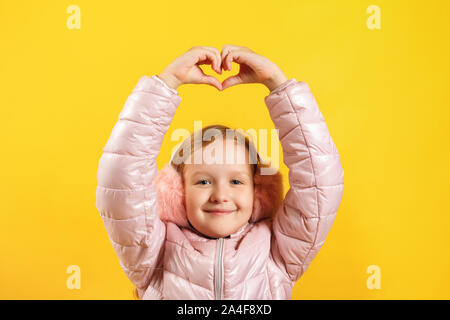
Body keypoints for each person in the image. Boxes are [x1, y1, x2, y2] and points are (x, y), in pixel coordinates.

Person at [95, 45, 345, 299]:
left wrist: (277, 83)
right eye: (203, 181)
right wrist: (167, 83)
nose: (220, 195)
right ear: (178, 193)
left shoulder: (276, 253)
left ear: (258, 193)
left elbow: (320, 183)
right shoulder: (153, 251)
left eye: (236, 181)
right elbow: (122, 179)